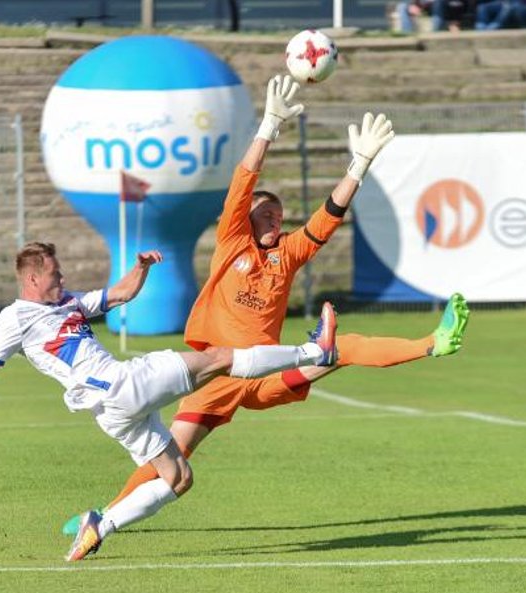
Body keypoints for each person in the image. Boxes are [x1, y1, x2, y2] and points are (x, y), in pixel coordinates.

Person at [61, 74, 471, 537]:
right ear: (246, 221)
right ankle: (101, 517)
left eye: (278, 214)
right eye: (265, 214)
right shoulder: (233, 242)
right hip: (217, 373)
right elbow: (242, 182)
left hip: (263, 373)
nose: (275, 219)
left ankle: (434, 342)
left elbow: (327, 219)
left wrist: (358, 166)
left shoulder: (287, 255)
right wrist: (269, 125)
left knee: (343, 348)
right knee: (172, 456)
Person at [0, 241, 339, 562]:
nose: (62, 277)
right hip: (120, 388)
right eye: (55, 272)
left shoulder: (68, 301)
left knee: (178, 479)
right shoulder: (14, 319)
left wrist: (142, 268)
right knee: (219, 358)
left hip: (114, 413)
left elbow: (120, 294)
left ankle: (99, 526)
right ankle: (314, 351)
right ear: (32, 278)